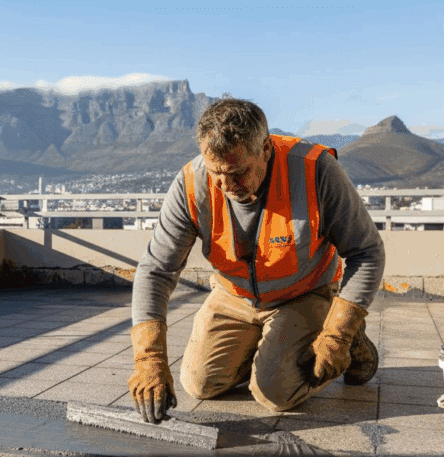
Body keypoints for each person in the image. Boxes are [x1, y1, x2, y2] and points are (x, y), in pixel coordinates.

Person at [127, 97, 385, 423]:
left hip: (302, 293)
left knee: (276, 393)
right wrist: (149, 360)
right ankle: (271, 348)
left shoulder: (315, 170)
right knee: (199, 384)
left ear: (265, 149)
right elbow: (156, 270)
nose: (225, 185)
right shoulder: (192, 183)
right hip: (233, 296)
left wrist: (338, 334)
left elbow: (367, 252)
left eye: (238, 173)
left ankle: (350, 335)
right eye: (216, 172)